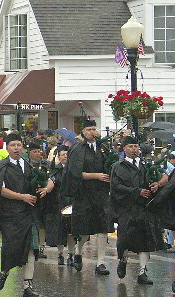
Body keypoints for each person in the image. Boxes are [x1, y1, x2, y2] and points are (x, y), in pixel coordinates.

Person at [0, 133, 53, 297]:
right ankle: (4, 272)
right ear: (7, 147)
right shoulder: (0, 166)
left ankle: (28, 286)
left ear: (23, 147)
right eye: (13, 145)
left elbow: (49, 179)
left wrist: (45, 188)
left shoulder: (30, 166)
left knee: (32, 250)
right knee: (11, 248)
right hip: (10, 214)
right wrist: (22, 197)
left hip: (29, 213)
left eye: (19, 145)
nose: (16, 148)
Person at [111, 136, 168, 285]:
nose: (134, 149)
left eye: (136, 146)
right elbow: (116, 187)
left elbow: (165, 176)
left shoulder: (145, 165)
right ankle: (123, 261)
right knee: (124, 240)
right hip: (126, 209)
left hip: (143, 208)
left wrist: (157, 184)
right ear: (124, 149)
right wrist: (136, 192)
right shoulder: (118, 166)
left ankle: (142, 271)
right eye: (130, 146)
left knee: (145, 239)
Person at [64, 119, 112, 275]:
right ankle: (78, 252)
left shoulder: (103, 148)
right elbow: (74, 173)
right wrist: (95, 176)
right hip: (84, 194)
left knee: (103, 227)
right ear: (83, 132)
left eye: (93, 129)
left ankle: (100, 263)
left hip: (101, 194)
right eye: (89, 129)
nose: (92, 132)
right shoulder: (77, 149)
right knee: (85, 230)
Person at [44, 145, 71, 265]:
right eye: (62, 155)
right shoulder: (55, 171)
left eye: (67, 154)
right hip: (59, 203)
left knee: (72, 231)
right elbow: (51, 182)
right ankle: (60, 254)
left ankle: (72, 254)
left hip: (72, 202)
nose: (65, 157)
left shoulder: (74, 170)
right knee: (60, 230)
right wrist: (47, 190)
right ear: (59, 157)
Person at [27, 142, 50, 259]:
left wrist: (45, 188)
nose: (37, 154)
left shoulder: (45, 164)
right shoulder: (27, 165)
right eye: (34, 152)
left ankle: (41, 248)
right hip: (30, 198)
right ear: (29, 152)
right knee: (34, 223)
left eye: (38, 151)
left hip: (43, 199)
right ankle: (32, 246)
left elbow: (50, 179)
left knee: (42, 224)